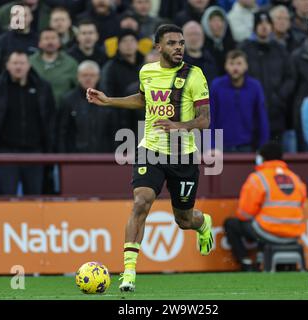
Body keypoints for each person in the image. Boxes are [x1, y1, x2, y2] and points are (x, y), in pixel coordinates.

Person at [86, 24, 214, 292]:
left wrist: (179, 126)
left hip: (183, 155)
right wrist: (109, 101)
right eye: (172, 43)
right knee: (141, 202)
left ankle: (202, 224)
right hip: (151, 149)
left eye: (181, 43)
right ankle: (129, 272)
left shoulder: (194, 75)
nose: (178, 47)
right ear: (158, 47)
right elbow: (143, 100)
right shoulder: (147, 71)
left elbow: (205, 120)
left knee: (183, 220)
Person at [0, 51, 56, 195]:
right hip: (6, 152)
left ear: (29, 65)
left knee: (35, 198)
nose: (18, 67)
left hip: (35, 152)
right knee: (6, 198)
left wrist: (49, 148)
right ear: (7, 66)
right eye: (14, 63)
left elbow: (50, 119)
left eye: (22, 63)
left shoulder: (43, 88)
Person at [223, 142, 307, 271]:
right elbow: (301, 204)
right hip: (294, 233)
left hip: (268, 231)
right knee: (259, 224)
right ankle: (265, 259)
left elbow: (244, 214)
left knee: (231, 224)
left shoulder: (258, 178)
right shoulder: (295, 178)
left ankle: (246, 263)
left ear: (261, 158)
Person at [240, 11, 295, 144]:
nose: (264, 27)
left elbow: (290, 77)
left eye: (267, 23)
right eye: (260, 24)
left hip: (276, 112)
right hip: (250, 110)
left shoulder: (280, 50)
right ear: (254, 27)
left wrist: (280, 97)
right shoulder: (244, 49)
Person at [210, 49, 269, 152]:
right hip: (221, 147)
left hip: (247, 145)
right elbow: (210, 117)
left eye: (239, 63)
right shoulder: (216, 86)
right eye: (231, 64)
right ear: (225, 66)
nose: (235, 67)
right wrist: (211, 146)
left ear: (246, 66)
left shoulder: (255, 87)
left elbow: (261, 118)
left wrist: (263, 147)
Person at [57, 61, 115, 153]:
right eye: (84, 75)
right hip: (76, 157)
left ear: (98, 77)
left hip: (104, 155)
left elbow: (114, 130)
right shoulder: (68, 100)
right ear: (78, 77)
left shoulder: (107, 99)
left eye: (92, 75)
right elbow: (62, 132)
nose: (88, 78)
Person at [100, 29, 145, 141]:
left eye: (132, 41)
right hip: (120, 119)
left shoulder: (145, 66)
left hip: (142, 118)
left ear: (137, 44)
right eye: (124, 41)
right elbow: (107, 93)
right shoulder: (110, 67)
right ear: (118, 46)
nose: (128, 44)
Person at [0, 4, 39, 85]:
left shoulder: (39, 41)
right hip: (6, 90)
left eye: (24, 15)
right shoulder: (1, 41)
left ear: (31, 17)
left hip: (34, 89)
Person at [29, 28, 78, 108]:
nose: (50, 42)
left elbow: (77, 89)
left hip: (62, 111)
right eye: (46, 38)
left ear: (59, 43)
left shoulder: (71, 63)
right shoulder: (30, 62)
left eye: (53, 38)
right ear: (39, 43)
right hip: (35, 111)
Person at [201, 6, 236, 75]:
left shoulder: (231, 45)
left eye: (220, 20)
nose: (218, 24)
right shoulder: (201, 47)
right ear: (206, 23)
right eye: (214, 20)